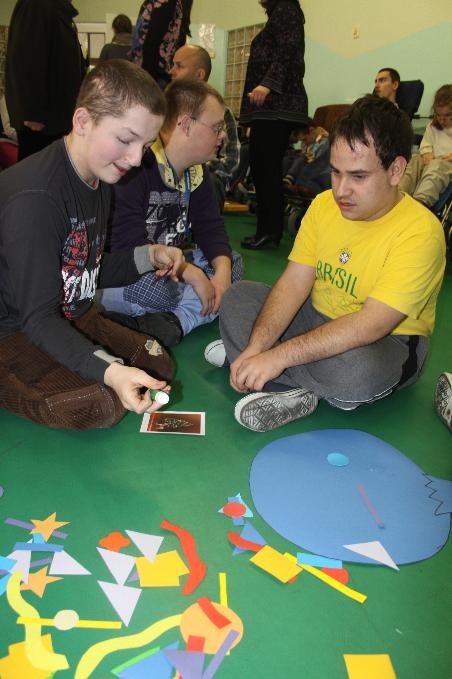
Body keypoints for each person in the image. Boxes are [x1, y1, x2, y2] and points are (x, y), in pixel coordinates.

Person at [204, 95, 446, 432]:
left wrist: (278, 355)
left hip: (387, 342)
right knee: (238, 296)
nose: (341, 190)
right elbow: (293, 283)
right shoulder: (323, 205)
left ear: (396, 170)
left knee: (355, 372)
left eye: (358, 176)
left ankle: (260, 367)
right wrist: (259, 345)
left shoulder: (421, 232)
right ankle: (287, 382)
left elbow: (371, 325)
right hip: (317, 318)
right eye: (335, 172)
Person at [0, 60, 185, 431]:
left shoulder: (99, 177)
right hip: (15, 331)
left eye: (145, 145)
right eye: (126, 139)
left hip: (72, 314)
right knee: (98, 405)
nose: (136, 159)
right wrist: (112, 372)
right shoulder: (36, 199)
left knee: (157, 364)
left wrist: (148, 256)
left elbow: (83, 271)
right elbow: (38, 317)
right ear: (83, 121)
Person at [97, 78, 243, 346]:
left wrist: (222, 275)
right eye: (217, 127)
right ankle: (179, 315)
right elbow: (127, 247)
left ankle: (170, 324)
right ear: (186, 124)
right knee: (155, 291)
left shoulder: (198, 173)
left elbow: (211, 229)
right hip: (132, 268)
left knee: (232, 263)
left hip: (169, 269)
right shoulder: (138, 164)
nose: (223, 135)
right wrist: (193, 274)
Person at [239, 0, 309, 250]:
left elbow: (288, 51)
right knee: (262, 168)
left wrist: (268, 84)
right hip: (270, 108)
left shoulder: (287, 8)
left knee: (266, 169)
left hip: (277, 106)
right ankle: (267, 230)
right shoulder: (280, 12)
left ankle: (269, 232)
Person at [5, 0, 86, 161]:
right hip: (41, 124)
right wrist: (33, 113)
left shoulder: (59, 10)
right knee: (37, 170)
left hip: (57, 120)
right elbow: (26, 58)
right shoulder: (36, 4)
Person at [169, 43, 240, 212]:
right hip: (169, 173)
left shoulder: (222, 112)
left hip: (206, 176)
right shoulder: (164, 108)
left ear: (199, 74)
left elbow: (232, 159)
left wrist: (195, 170)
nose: (171, 71)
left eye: (179, 66)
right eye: (172, 65)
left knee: (211, 183)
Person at [399, 84, 452, 208]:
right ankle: (399, 194)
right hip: (432, 162)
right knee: (415, 160)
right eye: (438, 115)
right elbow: (426, 145)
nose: (442, 120)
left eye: (447, 116)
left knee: (436, 166)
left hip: (446, 167)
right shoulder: (432, 127)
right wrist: (427, 154)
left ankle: (420, 203)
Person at [130, 0, 193, 88]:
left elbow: (149, 45)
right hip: (155, 77)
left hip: (147, 76)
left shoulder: (163, 3)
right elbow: (150, 45)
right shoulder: (171, 5)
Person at [283, 119, 330, 195]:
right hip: (304, 166)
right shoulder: (307, 144)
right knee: (287, 160)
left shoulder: (325, 142)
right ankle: (286, 183)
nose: (304, 142)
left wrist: (304, 158)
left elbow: (320, 163)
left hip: (313, 169)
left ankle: (289, 182)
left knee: (300, 160)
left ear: (311, 130)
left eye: (304, 139)